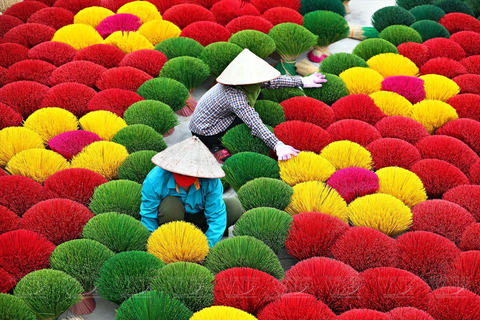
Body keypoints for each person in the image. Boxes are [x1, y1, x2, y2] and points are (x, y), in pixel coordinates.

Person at [189, 48, 327, 163]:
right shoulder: (234, 96)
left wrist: (302, 81)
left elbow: (273, 82)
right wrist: (277, 145)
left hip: (219, 116)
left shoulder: (248, 81)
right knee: (247, 125)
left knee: (259, 95)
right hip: (206, 130)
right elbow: (255, 123)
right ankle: (215, 146)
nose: (262, 80)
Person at [140, 136, 243, 247]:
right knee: (170, 204)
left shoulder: (211, 181)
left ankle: (199, 235)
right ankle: (173, 238)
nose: (185, 176)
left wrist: (206, 246)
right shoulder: (156, 179)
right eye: (181, 173)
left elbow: (216, 216)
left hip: (200, 218)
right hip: (172, 219)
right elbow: (148, 215)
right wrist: (154, 243)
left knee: (234, 207)